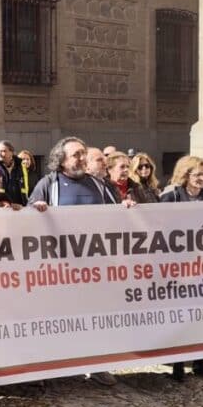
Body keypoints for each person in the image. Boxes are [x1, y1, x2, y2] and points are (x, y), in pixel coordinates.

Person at [28, 137, 134, 385]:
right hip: (59, 269)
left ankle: (96, 365)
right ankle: (51, 368)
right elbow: (27, 219)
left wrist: (128, 208)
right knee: (56, 319)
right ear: (61, 159)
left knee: (95, 319)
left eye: (83, 153)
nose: (82, 157)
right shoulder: (48, 184)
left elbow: (117, 214)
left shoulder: (98, 185)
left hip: (94, 269)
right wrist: (36, 210)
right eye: (76, 154)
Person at [159, 156, 203, 384]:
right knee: (181, 315)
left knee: (202, 315)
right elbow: (155, 224)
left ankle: (200, 362)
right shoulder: (170, 197)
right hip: (178, 265)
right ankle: (178, 364)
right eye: (197, 174)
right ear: (185, 175)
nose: (202, 178)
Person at [0, 140, 26, 206]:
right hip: (3, 208)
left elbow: (26, 188)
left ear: (11, 152)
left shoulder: (22, 167)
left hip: (20, 208)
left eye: (3, 151)